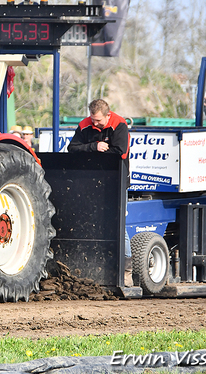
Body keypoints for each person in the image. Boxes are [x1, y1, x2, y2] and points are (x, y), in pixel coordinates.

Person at [67, 99, 131, 284]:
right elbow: (72, 149)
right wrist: (93, 147)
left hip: (116, 180)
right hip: (91, 181)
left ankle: (126, 272)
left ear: (108, 116)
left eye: (99, 121)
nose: (95, 124)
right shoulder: (84, 125)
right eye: (92, 120)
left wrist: (94, 152)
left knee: (119, 223)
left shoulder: (120, 125)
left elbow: (120, 152)